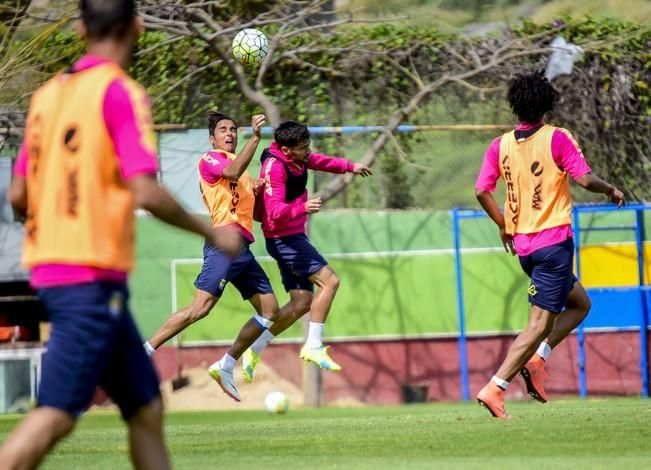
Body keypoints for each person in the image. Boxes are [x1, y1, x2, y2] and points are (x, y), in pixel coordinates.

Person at [0, 1, 241, 468]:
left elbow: (17, 194)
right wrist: (211, 231)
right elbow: (145, 190)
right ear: (138, 25)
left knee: (147, 408)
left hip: (60, 272)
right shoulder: (120, 92)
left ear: (78, 28)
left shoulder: (47, 97)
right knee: (56, 415)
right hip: (86, 278)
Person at [474, 71, 625, 418]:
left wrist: (503, 225)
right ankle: (496, 387)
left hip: (526, 250)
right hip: (553, 245)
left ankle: (539, 358)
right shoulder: (557, 138)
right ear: (548, 104)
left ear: (515, 106)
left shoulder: (500, 145)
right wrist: (611, 189)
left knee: (580, 304)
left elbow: (482, 190)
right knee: (538, 324)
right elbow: (585, 178)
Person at [143, 112, 286, 402]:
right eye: (223, 129)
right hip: (223, 243)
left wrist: (259, 191)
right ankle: (144, 351)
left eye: (233, 129)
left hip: (243, 247)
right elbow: (231, 172)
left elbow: (250, 207)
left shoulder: (243, 171)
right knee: (199, 309)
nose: (230, 133)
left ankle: (226, 365)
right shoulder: (210, 159)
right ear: (212, 138)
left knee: (270, 311)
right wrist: (256, 138)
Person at [241, 121, 372, 381]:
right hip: (284, 239)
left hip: (290, 236)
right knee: (330, 281)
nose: (308, 151)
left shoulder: (296, 158)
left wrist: (350, 167)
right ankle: (313, 346)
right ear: (287, 150)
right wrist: (303, 208)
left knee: (301, 303)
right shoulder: (275, 168)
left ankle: (253, 350)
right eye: (303, 147)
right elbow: (275, 212)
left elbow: (320, 161)